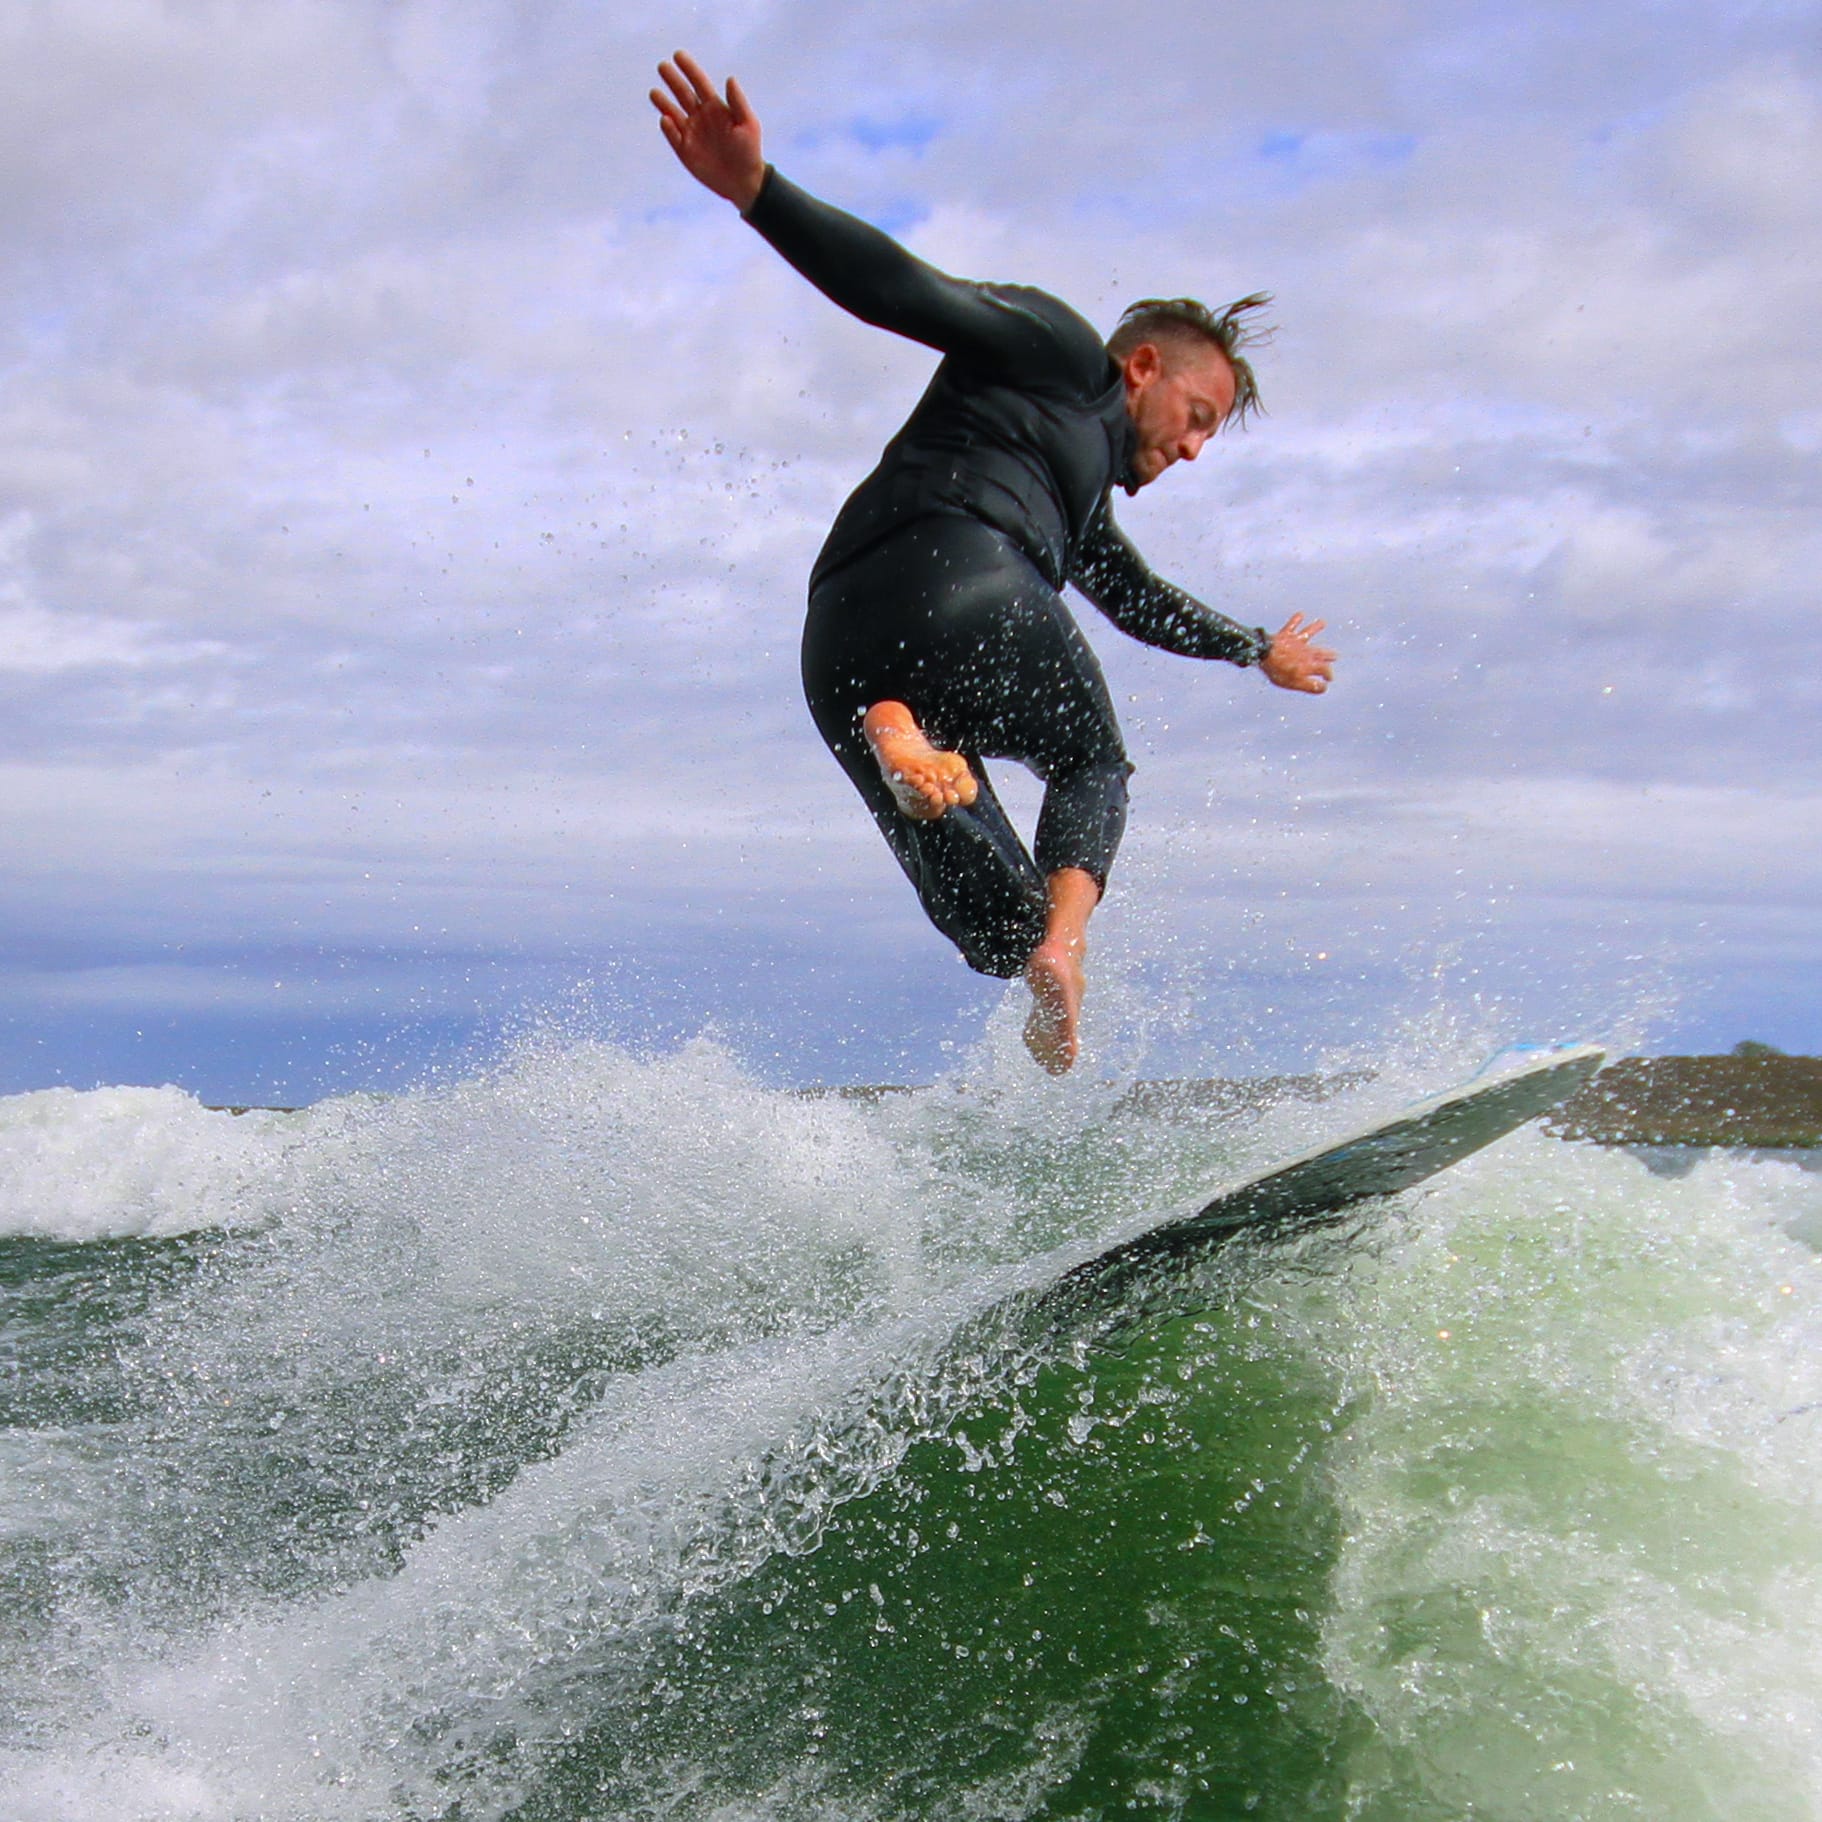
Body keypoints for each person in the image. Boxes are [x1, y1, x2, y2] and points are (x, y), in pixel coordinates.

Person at [650, 52, 1335, 1075]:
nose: (1194, 449)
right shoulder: (1062, 353)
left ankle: (909, 743)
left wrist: (1249, 645)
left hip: (838, 635)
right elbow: (907, 291)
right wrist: (759, 190)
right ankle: (1069, 946)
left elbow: (1138, 599)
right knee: (1092, 764)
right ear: (1143, 366)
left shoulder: (1075, 502)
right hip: (965, 574)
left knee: (999, 932)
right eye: (1196, 417)